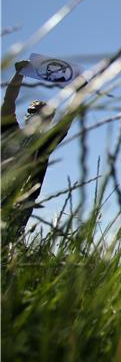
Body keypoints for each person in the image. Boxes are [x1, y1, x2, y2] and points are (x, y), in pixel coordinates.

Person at [1, 60, 76, 240]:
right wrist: (19, 74)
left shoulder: (46, 142)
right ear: (28, 115)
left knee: (9, 242)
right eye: (35, 113)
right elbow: (9, 100)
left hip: (24, 200)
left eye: (46, 116)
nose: (40, 118)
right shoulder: (10, 130)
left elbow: (69, 117)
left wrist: (79, 92)